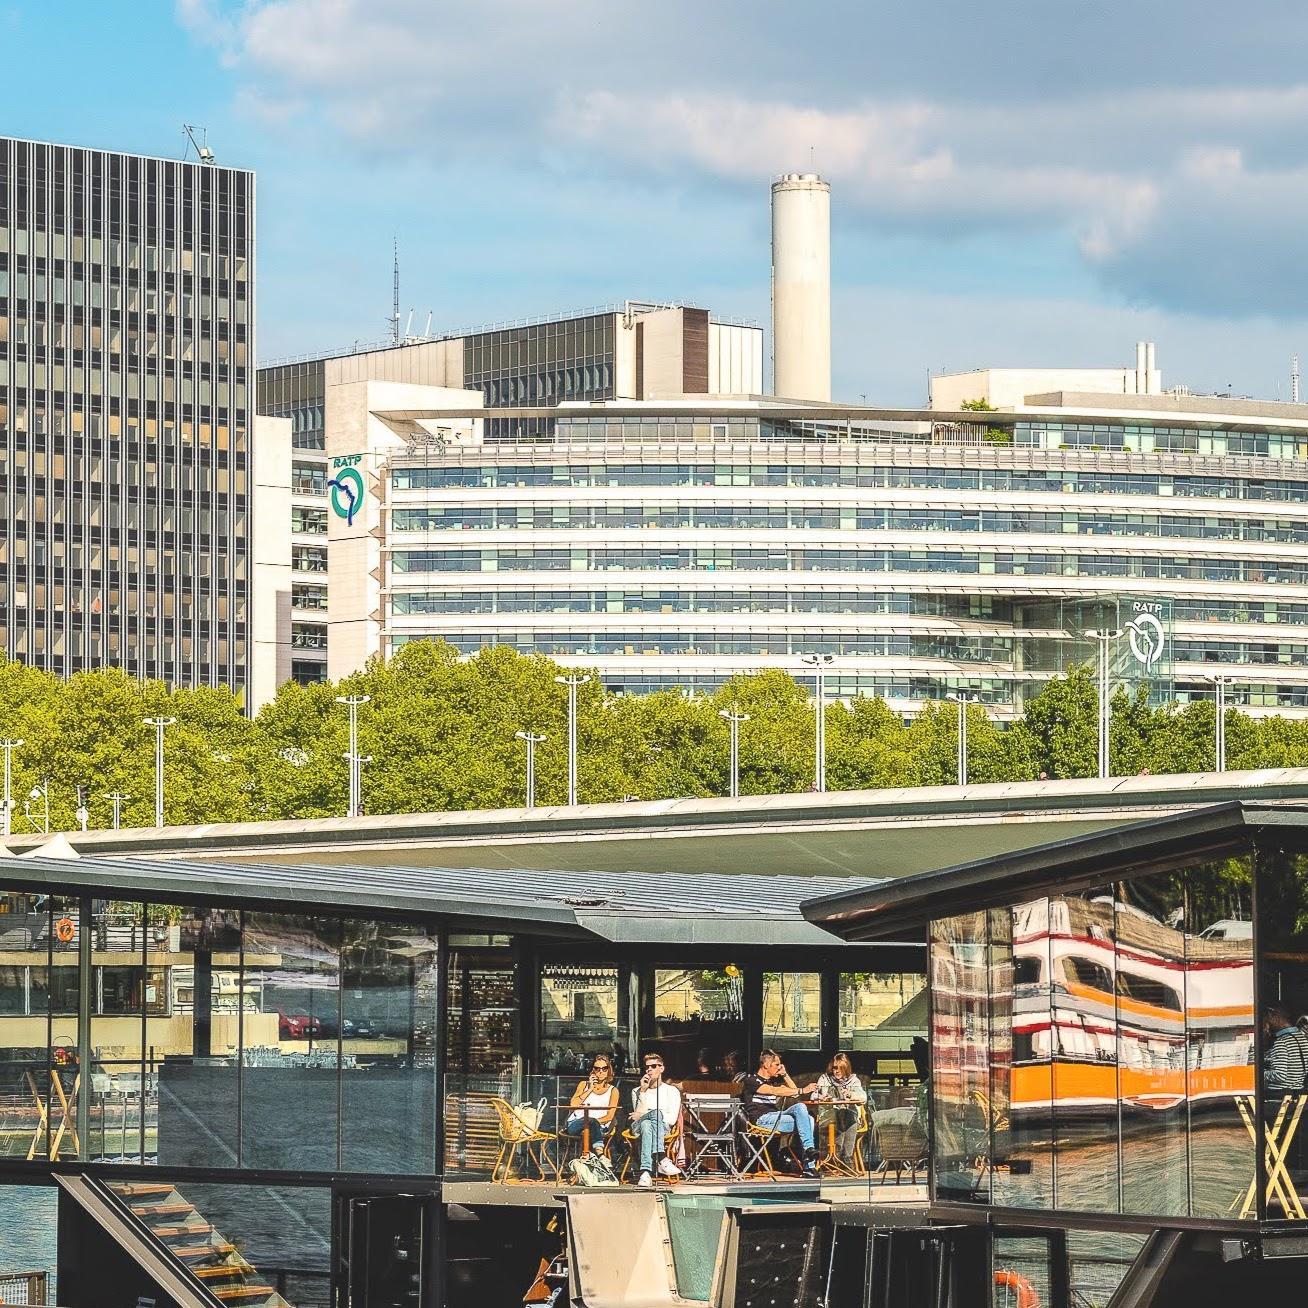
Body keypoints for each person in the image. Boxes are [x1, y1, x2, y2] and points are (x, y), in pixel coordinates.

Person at [740, 1049, 820, 1177]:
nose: (779, 1067)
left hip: (777, 1116)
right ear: (766, 1065)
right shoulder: (751, 1080)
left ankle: (809, 1150)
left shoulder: (774, 1080)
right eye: (777, 1064)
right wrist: (802, 1090)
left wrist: (785, 1075)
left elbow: (794, 1093)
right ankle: (809, 1166)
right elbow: (773, 1091)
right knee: (808, 1120)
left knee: (801, 1107)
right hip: (763, 1120)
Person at [630, 1051, 682, 1187]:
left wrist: (649, 1115)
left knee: (648, 1124)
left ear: (661, 1068)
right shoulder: (637, 1091)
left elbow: (671, 1119)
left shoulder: (672, 1091)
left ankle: (645, 1173)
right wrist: (643, 1091)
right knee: (650, 1118)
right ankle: (661, 1157)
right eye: (647, 1067)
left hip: (663, 1128)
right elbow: (636, 1116)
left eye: (653, 1066)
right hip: (638, 1127)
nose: (649, 1070)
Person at [812, 1053, 867, 1166]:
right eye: (834, 1068)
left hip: (849, 1118)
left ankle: (844, 1156)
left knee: (846, 1115)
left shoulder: (853, 1080)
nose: (836, 1071)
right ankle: (842, 1157)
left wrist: (851, 1094)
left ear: (846, 1068)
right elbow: (813, 1096)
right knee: (841, 1115)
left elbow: (863, 1097)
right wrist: (821, 1097)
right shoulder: (824, 1079)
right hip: (828, 1117)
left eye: (840, 1068)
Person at [565, 1055, 619, 1154]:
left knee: (592, 1122)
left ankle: (594, 1156)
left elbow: (610, 1116)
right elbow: (573, 1105)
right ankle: (600, 1154)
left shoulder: (613, 1091)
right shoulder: (583, 1084)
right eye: (597, 1068)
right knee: (590, 1121)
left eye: (604, 1068)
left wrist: (593, 1122)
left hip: (600, 1125)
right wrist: (590, 1089)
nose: (601, 1071)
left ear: (609, 1070)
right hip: (577, 1123)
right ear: (593, 1070)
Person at [1264, 1003, 1308, 1096]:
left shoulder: (1282, 1042)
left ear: (1276, 1017)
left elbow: (1280, 1075)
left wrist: (1259, 1073)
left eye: (1268, 1019)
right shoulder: (1302, 1039)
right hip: (1297, 1092)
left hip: (1278, 1095)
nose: (1267, 1024)